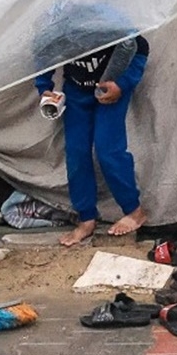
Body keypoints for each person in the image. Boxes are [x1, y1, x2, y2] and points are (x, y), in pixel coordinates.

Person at [36, 36, 150, 246]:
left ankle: (135, 211)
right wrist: (44, 87)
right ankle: (86, 219)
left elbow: (140, 47)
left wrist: (122, 85)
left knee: (108, 150)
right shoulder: (58, 23)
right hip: (77, 91)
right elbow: (44, 50)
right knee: (77, 153)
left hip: (110, 90)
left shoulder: (109, 19)